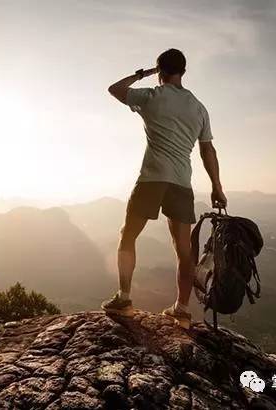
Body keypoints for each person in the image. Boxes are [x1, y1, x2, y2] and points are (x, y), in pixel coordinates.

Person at [101, 48, 227, 329]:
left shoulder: (151, 96)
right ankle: (182, 310)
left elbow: (114, 89)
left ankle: (123, 298)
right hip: (182, 182)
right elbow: (208, 150)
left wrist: (142, 74)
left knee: (128, 235)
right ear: (183, 71)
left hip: (152, 179)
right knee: (184, 250)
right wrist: (217, 187)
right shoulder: (199, 107)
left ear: (160, 70)